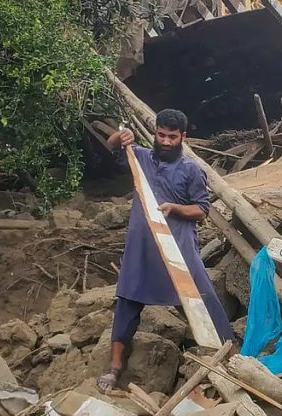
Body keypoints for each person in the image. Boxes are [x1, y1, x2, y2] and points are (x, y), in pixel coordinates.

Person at [96, 109, 235, 391]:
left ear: (183, 137)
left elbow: (202, 210)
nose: (166, 141)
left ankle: (228, 356)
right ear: (156, 132)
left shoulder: (191, 170)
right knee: (127, 298)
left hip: (179, 246)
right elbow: (111, 148)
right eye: (161, 135)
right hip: (142, 246)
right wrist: (118, 137)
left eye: (173, 137)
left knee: (202, 297)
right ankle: (114, 367)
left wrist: (174, 208)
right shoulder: (141, 158)